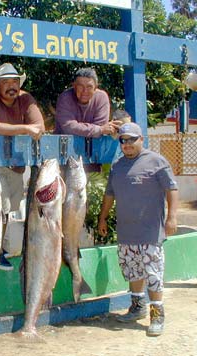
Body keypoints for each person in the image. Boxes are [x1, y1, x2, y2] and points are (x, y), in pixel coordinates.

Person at [98, 122, 179, 337]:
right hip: (126, 233)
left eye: (131, 140)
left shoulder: (157, 162)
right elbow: (109, 195)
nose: (127, 144)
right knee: (132, 271)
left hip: (150, 233)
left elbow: (172, 189)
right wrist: (102, 218)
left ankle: (157, 313)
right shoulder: (117, 166)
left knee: (153, 274)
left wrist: (172, 218)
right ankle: (137, 307)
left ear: (141, 139)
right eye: (123, 141)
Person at [0, 62, 45, 270]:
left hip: (17, 165)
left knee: (8, 210)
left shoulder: (26, 99)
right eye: (6, 82)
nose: (11, 86)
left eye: (14, 82)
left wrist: (21, 129)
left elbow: (40, 126)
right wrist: (25, 128)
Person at [54, 67, 120, 137]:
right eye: (80, 86)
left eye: (89, 87)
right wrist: (98, 130)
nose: (85, 91)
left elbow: (100, 125)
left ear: (95, 87)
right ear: (74, 86)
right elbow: (69, 128)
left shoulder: (101, 97)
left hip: (94, 145)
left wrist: (98, 129)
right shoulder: (65, 98)